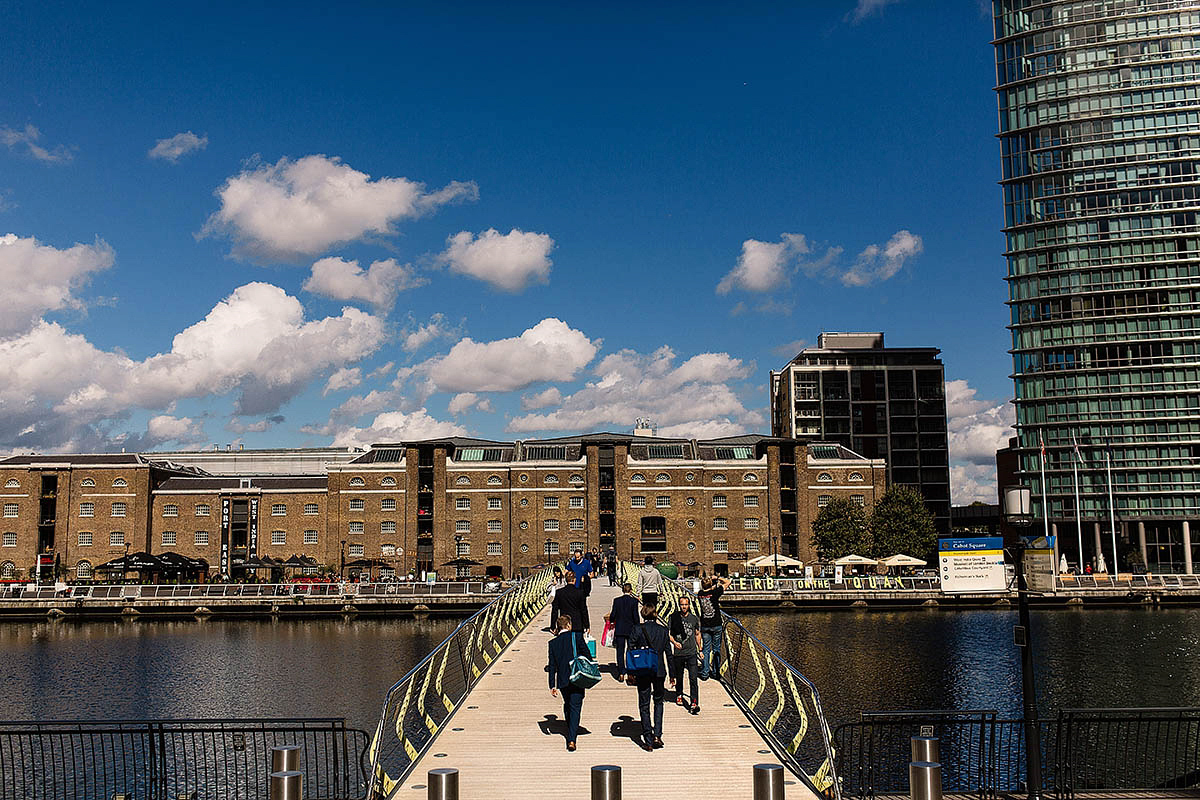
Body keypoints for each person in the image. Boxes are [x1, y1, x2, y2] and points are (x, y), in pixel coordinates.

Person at [628, 604, 672, 751]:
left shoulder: (637, 629)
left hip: (643, 669)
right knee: (659, 702)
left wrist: (631, 671)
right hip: (659, 669)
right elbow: (668, 653)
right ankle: (657, 735)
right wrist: (673, 674)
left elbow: (630, 648)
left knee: (644, 703)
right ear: (655, 614)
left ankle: (647, 738)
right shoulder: (663, 630)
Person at [547, 614, 589, 751]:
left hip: (563, 679)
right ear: (569, 625)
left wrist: (552, 685)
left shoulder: (553, 643)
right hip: (577, 676)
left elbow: (552, 665)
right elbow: (587, 655)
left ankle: (569, 724)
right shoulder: (576, 637)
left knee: (568, 703)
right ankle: (571, 739)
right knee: (576, 705)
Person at [668, 594, 702, 713]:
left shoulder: (694, 618)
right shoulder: (673, 617)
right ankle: (679, 694)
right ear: (679, 605)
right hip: (679, 653)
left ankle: (694, 702)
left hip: (692, 652)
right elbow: (669, 634)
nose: (684, 607)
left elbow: (697, 634)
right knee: (680, 676)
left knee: (693, 678)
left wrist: (700, 649)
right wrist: (674, 642)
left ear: (689, 605)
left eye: (686, 605)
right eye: (682, 605)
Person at [697, 574, 730, 680]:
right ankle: (716, 673)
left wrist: (711, 583)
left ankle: (705, 673)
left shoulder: (700, 594)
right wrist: (717, 578)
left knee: (706, 649)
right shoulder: (715, 593)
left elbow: (708, 589)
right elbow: (728, 582)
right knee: (716, 649)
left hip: (705, 625)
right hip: (716, 624)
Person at [607, 582, 640, 681]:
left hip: (620, 629)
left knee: (620, 651)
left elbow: (613, 615)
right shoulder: (634, 602)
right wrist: (638, 627)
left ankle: (621, 672)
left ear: (622, 590)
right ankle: (630, 672)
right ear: (631, 591)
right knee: (630, 651)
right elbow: (636, 616)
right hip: (631, 629)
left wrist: (612, 621)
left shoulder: (617, 601)